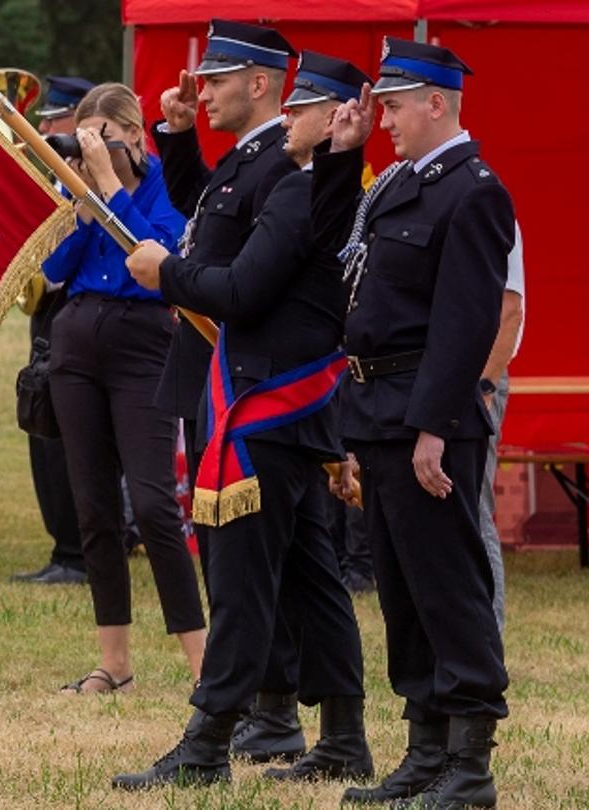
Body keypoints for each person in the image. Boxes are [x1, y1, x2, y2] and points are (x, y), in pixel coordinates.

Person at [112, 50, 374, 790]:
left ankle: (206, 748)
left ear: (335, 118)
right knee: (310, 580)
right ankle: (344, 737)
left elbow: (242, 290)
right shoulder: (316, 190)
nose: (288, 118)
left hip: (266, 406)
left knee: (242, 585)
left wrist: (165, 272)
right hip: (283, 407)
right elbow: (220, 228)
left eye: (303, 108)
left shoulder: (299, 190)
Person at [323, 38, 515, 808]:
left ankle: (470, 766)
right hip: (378, 410)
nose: (385, 120)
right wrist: (341, 159)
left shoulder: (473, 191)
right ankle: (425, 750)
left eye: (395, 106)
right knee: (403, 593)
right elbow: (348, 273)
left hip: (428, 419)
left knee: (447, 587)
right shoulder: (400, 183)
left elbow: (466, 323)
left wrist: (434, 425)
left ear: (437, 103)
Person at [152, 18, 308, 759]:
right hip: (210, 371)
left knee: (244, 559)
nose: (203, 90)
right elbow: (204, 220)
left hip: (244, 381)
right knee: (224, 554)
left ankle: (261, 710)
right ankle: (262, 709)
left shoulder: (281, 162)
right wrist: (180, 136)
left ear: (260, 83)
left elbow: (236, 275)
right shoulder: (246, 158)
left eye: (216, 80)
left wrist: (165, 274)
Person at [38, 82, 203, 696]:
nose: (93, 149)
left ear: (135, 134)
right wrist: (82, 207)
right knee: (94, 508)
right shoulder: (78, 185)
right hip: (77, 339)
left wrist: (110, 188)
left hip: (143, 341)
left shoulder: (168, 184)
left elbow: (159, 258)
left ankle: (205, 667)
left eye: (103, 138)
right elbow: (53, 269)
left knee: (155, 505)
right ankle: (115, 663)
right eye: (84, 139)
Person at [14, 74, 98, 586]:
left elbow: (67, 257)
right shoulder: (56, 180)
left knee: (67, 435)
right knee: (42, 423)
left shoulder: (86, 180)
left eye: (53, 121)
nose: (44, 130)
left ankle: (75, 552)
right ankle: (63, 546)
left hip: (68, 306)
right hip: (48, 313)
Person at [478, 223, 524, 632]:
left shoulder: (491, 209)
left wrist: (486, 385)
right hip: (442, 373)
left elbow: (511, 311)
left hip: (479, 374)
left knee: (475, 509)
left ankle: (488, 639)